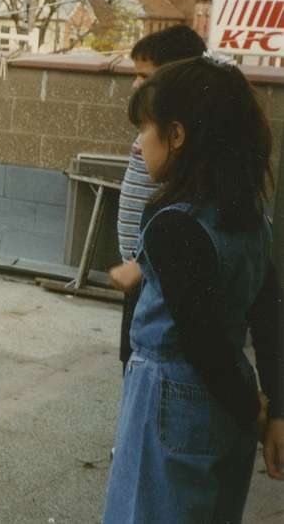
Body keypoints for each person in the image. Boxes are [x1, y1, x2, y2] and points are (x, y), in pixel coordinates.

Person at [103, 57, 284, 524]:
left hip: (171, 403)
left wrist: (257, 410)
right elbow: (268, 317)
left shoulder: (170, 222)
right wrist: (273, 406)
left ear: (177, 135)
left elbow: (199, 340)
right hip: (229, 407)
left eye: (145, 129)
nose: (140, 144)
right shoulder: (251, 220)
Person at [111, 25, 207, 371]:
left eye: (144, 76)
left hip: (154, 273)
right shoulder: (154, 127)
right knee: (133, 359)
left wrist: (142, 264)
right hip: (139, 269)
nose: (136, 84)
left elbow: (187, 214)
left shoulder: (184, 146)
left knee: (151, 359)